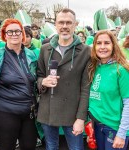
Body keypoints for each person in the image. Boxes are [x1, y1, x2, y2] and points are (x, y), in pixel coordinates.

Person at [37, 8, 91, 150]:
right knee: (51, 146)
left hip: (72, 112)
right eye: (61, 22)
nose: (65, 26)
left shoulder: (85, 51)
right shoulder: (45, 49)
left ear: (75, 25)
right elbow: (38, 76)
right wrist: (43, 82)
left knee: (76, 148)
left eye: (69, 22)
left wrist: (81, 118)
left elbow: (86, 88)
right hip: (48, 109)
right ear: (55, 24)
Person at [0, 18, 38, 150]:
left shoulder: (32, 56)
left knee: (29, 147)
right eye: (10, 32)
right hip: (4, 112)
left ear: (22, 33)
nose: (14, 34)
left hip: (28, 113)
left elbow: (36, 81)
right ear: (4, 35)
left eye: (17, 31)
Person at [88, 30, 129, 150]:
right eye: (99, 43)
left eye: (107, 43)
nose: (102, 47)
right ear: (94, 46)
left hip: (114, 128)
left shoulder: (121, 70)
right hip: (98, 126)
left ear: (113, 46)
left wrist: (121, 134)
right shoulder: (94, 67)